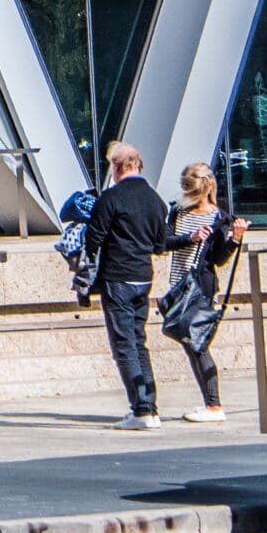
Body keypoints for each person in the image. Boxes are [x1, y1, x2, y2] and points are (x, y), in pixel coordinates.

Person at [81, 141, 171, 428]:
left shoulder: (111, 198)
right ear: (138, 164)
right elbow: (160, 244)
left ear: (116, 167)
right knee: (138, 341)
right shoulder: (156, 200)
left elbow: (93, 239)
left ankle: (141, 409)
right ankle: (150, 406)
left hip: (117, 277)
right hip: (144, 276)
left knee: (124, 344)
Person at [161, 163, 249, 423]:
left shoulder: (219, 217)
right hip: (177, 287)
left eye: (191, 191)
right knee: (191, 344)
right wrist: (190, 237)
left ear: (205, 189)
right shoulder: (177, 212)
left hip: (200, 289)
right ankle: (210, 404)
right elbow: (164, 242)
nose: (187, 195)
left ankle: (213, 405)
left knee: (197, 344)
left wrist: (235, 238)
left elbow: (219, 259)